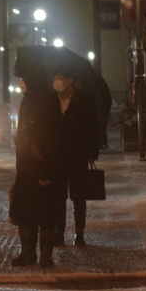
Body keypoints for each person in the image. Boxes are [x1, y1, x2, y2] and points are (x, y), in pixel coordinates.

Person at [10, 61, 61, 267]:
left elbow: (46, 137)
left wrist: (44, 167)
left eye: (23, 78)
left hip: (36, 165)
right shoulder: (44, 100)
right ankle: (38, 254)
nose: (21, 82)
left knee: (36, 212)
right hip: (32, 166)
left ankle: (36, 254)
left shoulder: (38, 102)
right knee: (37, 212)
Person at [51, 65, 101, 247]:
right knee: (58, 197)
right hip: (57, 156)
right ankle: (59, 233)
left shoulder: (83, 100)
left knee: (79, 197)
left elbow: (92, 127)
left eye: (60, 75)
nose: (57, 79)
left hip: (78, 155)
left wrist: (92, 153)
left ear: (70, 80)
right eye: (56, 75)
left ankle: (79, 233)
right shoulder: (52, 100)